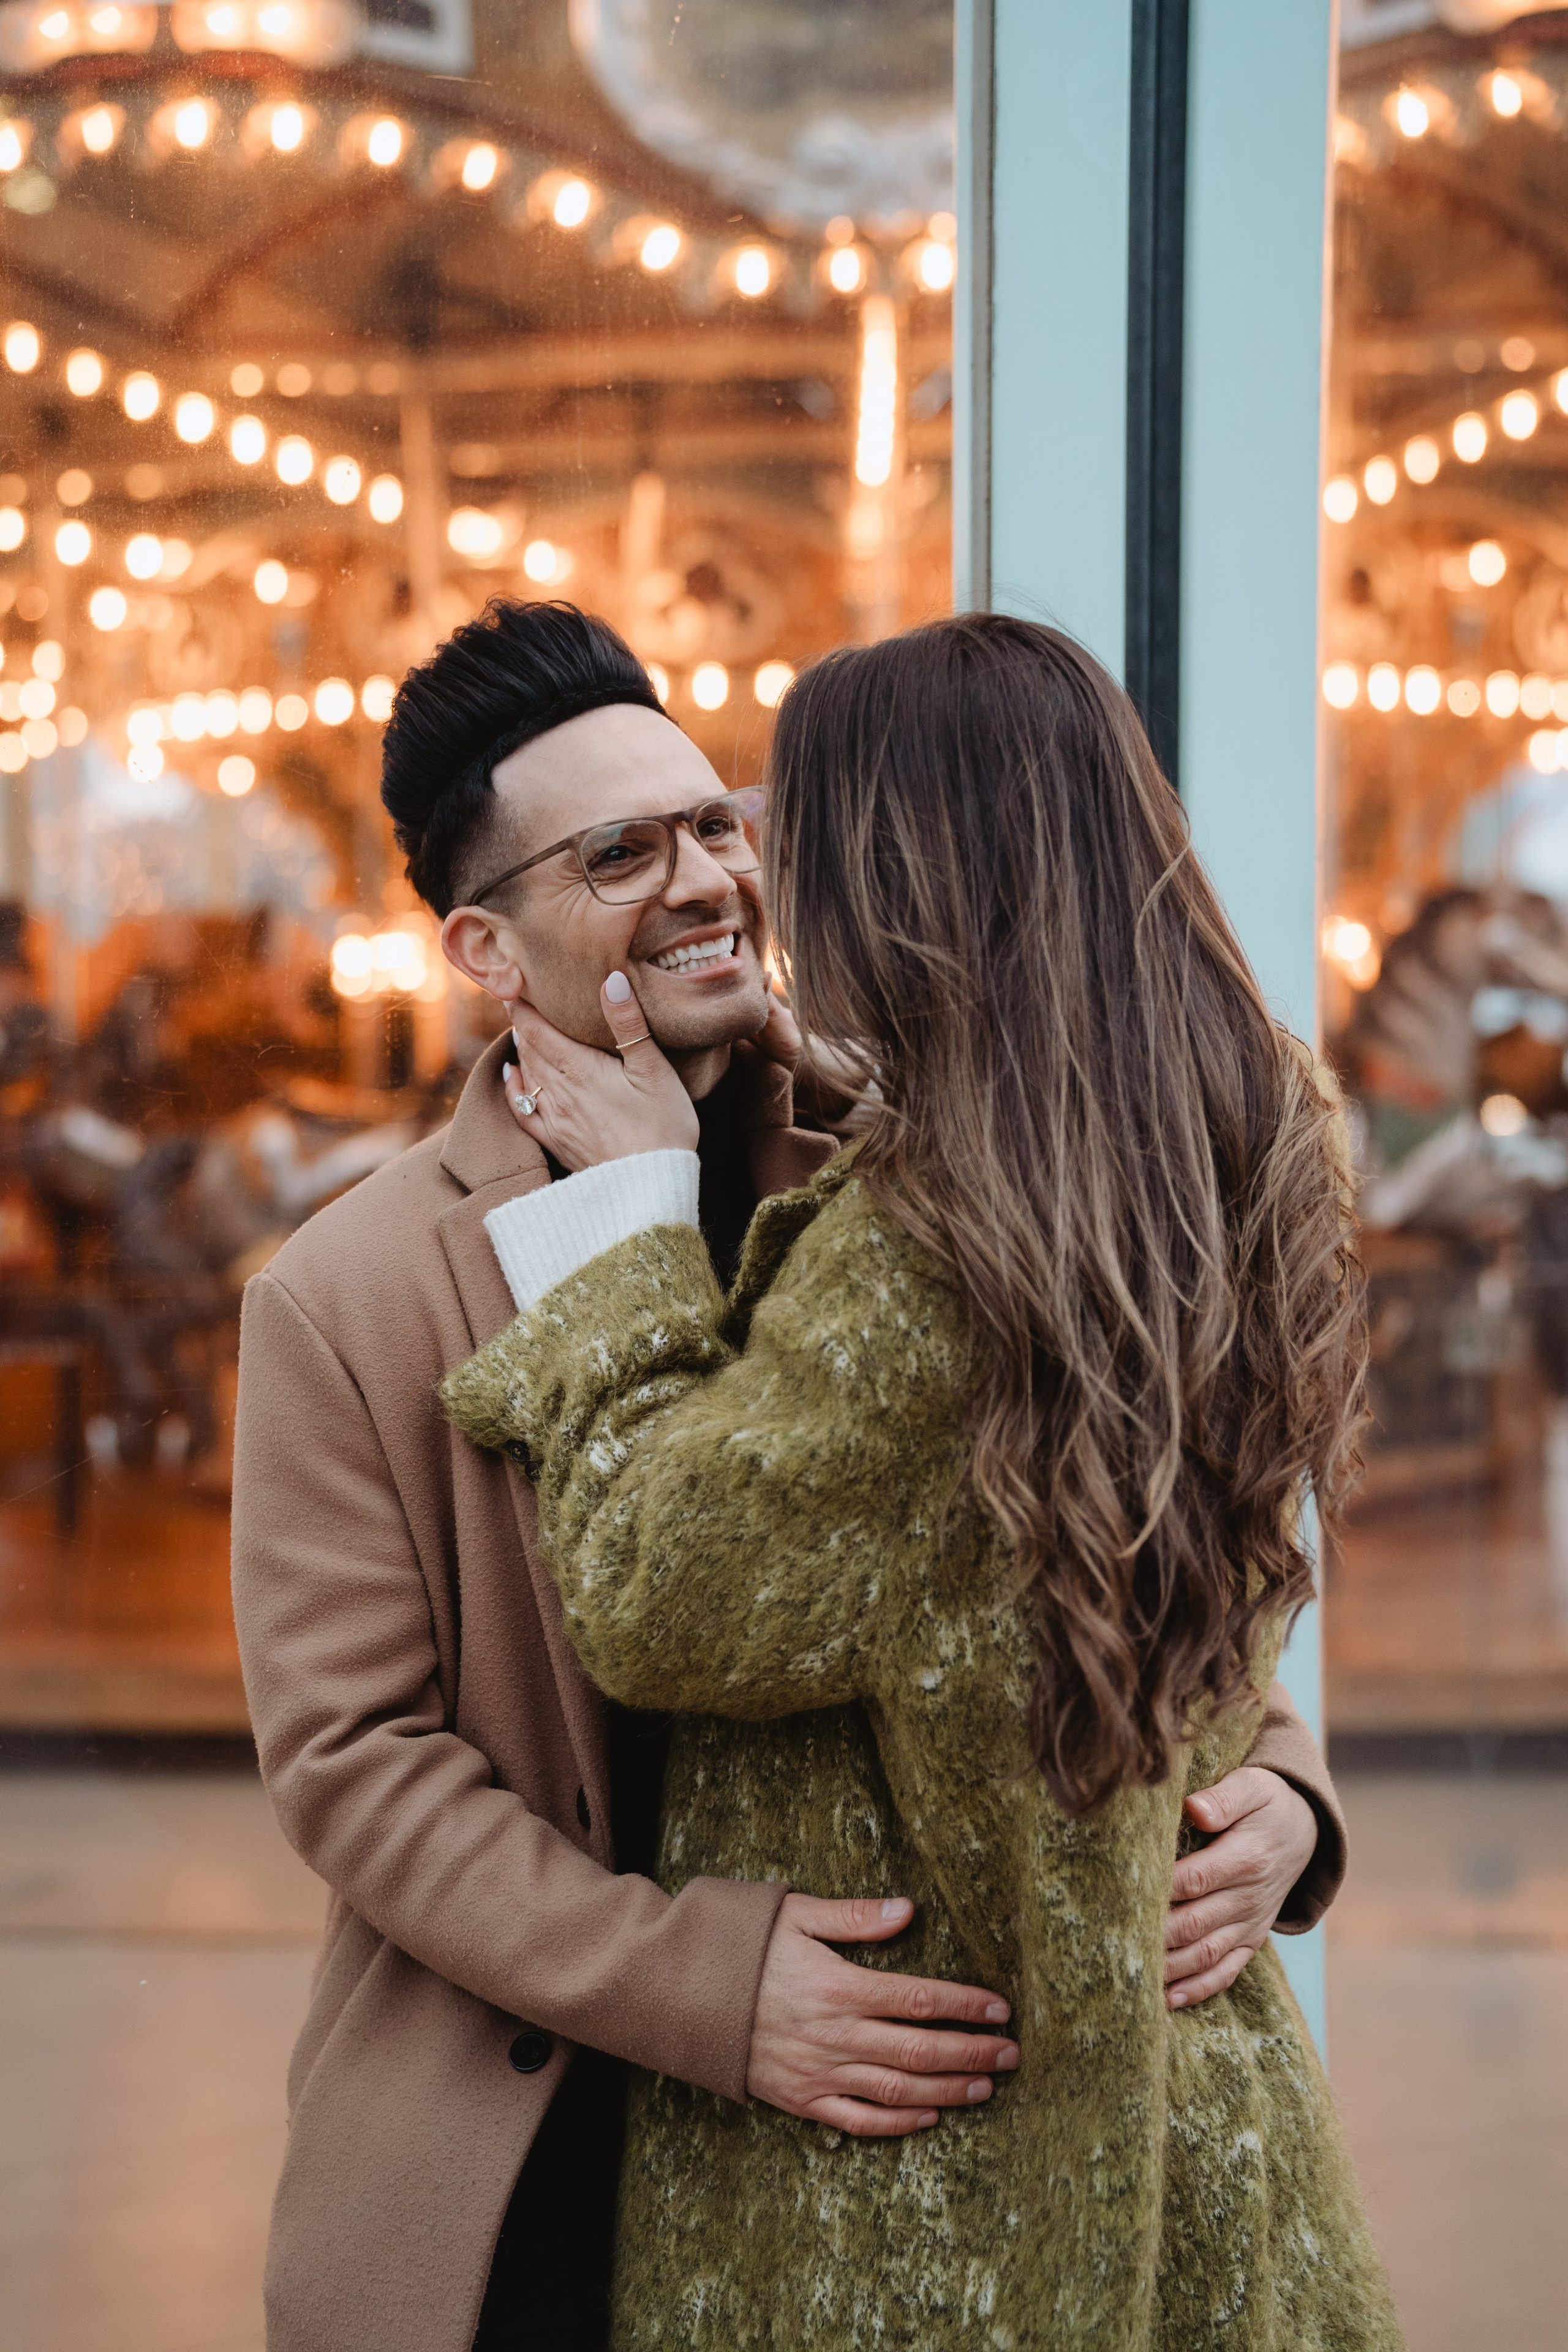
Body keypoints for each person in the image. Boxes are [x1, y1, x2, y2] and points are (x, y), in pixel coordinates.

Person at [232, 601, 1348, 2352]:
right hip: (542, 2124)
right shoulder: (350, 1292)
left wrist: (1281, 1780)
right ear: (485, 947)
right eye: (619, 853)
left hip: (924, 2168)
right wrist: (708, 1989)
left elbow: (1138, 1518)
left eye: (717, 825)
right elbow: (353, 1763)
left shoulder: (931, 1172)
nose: (702, 880)